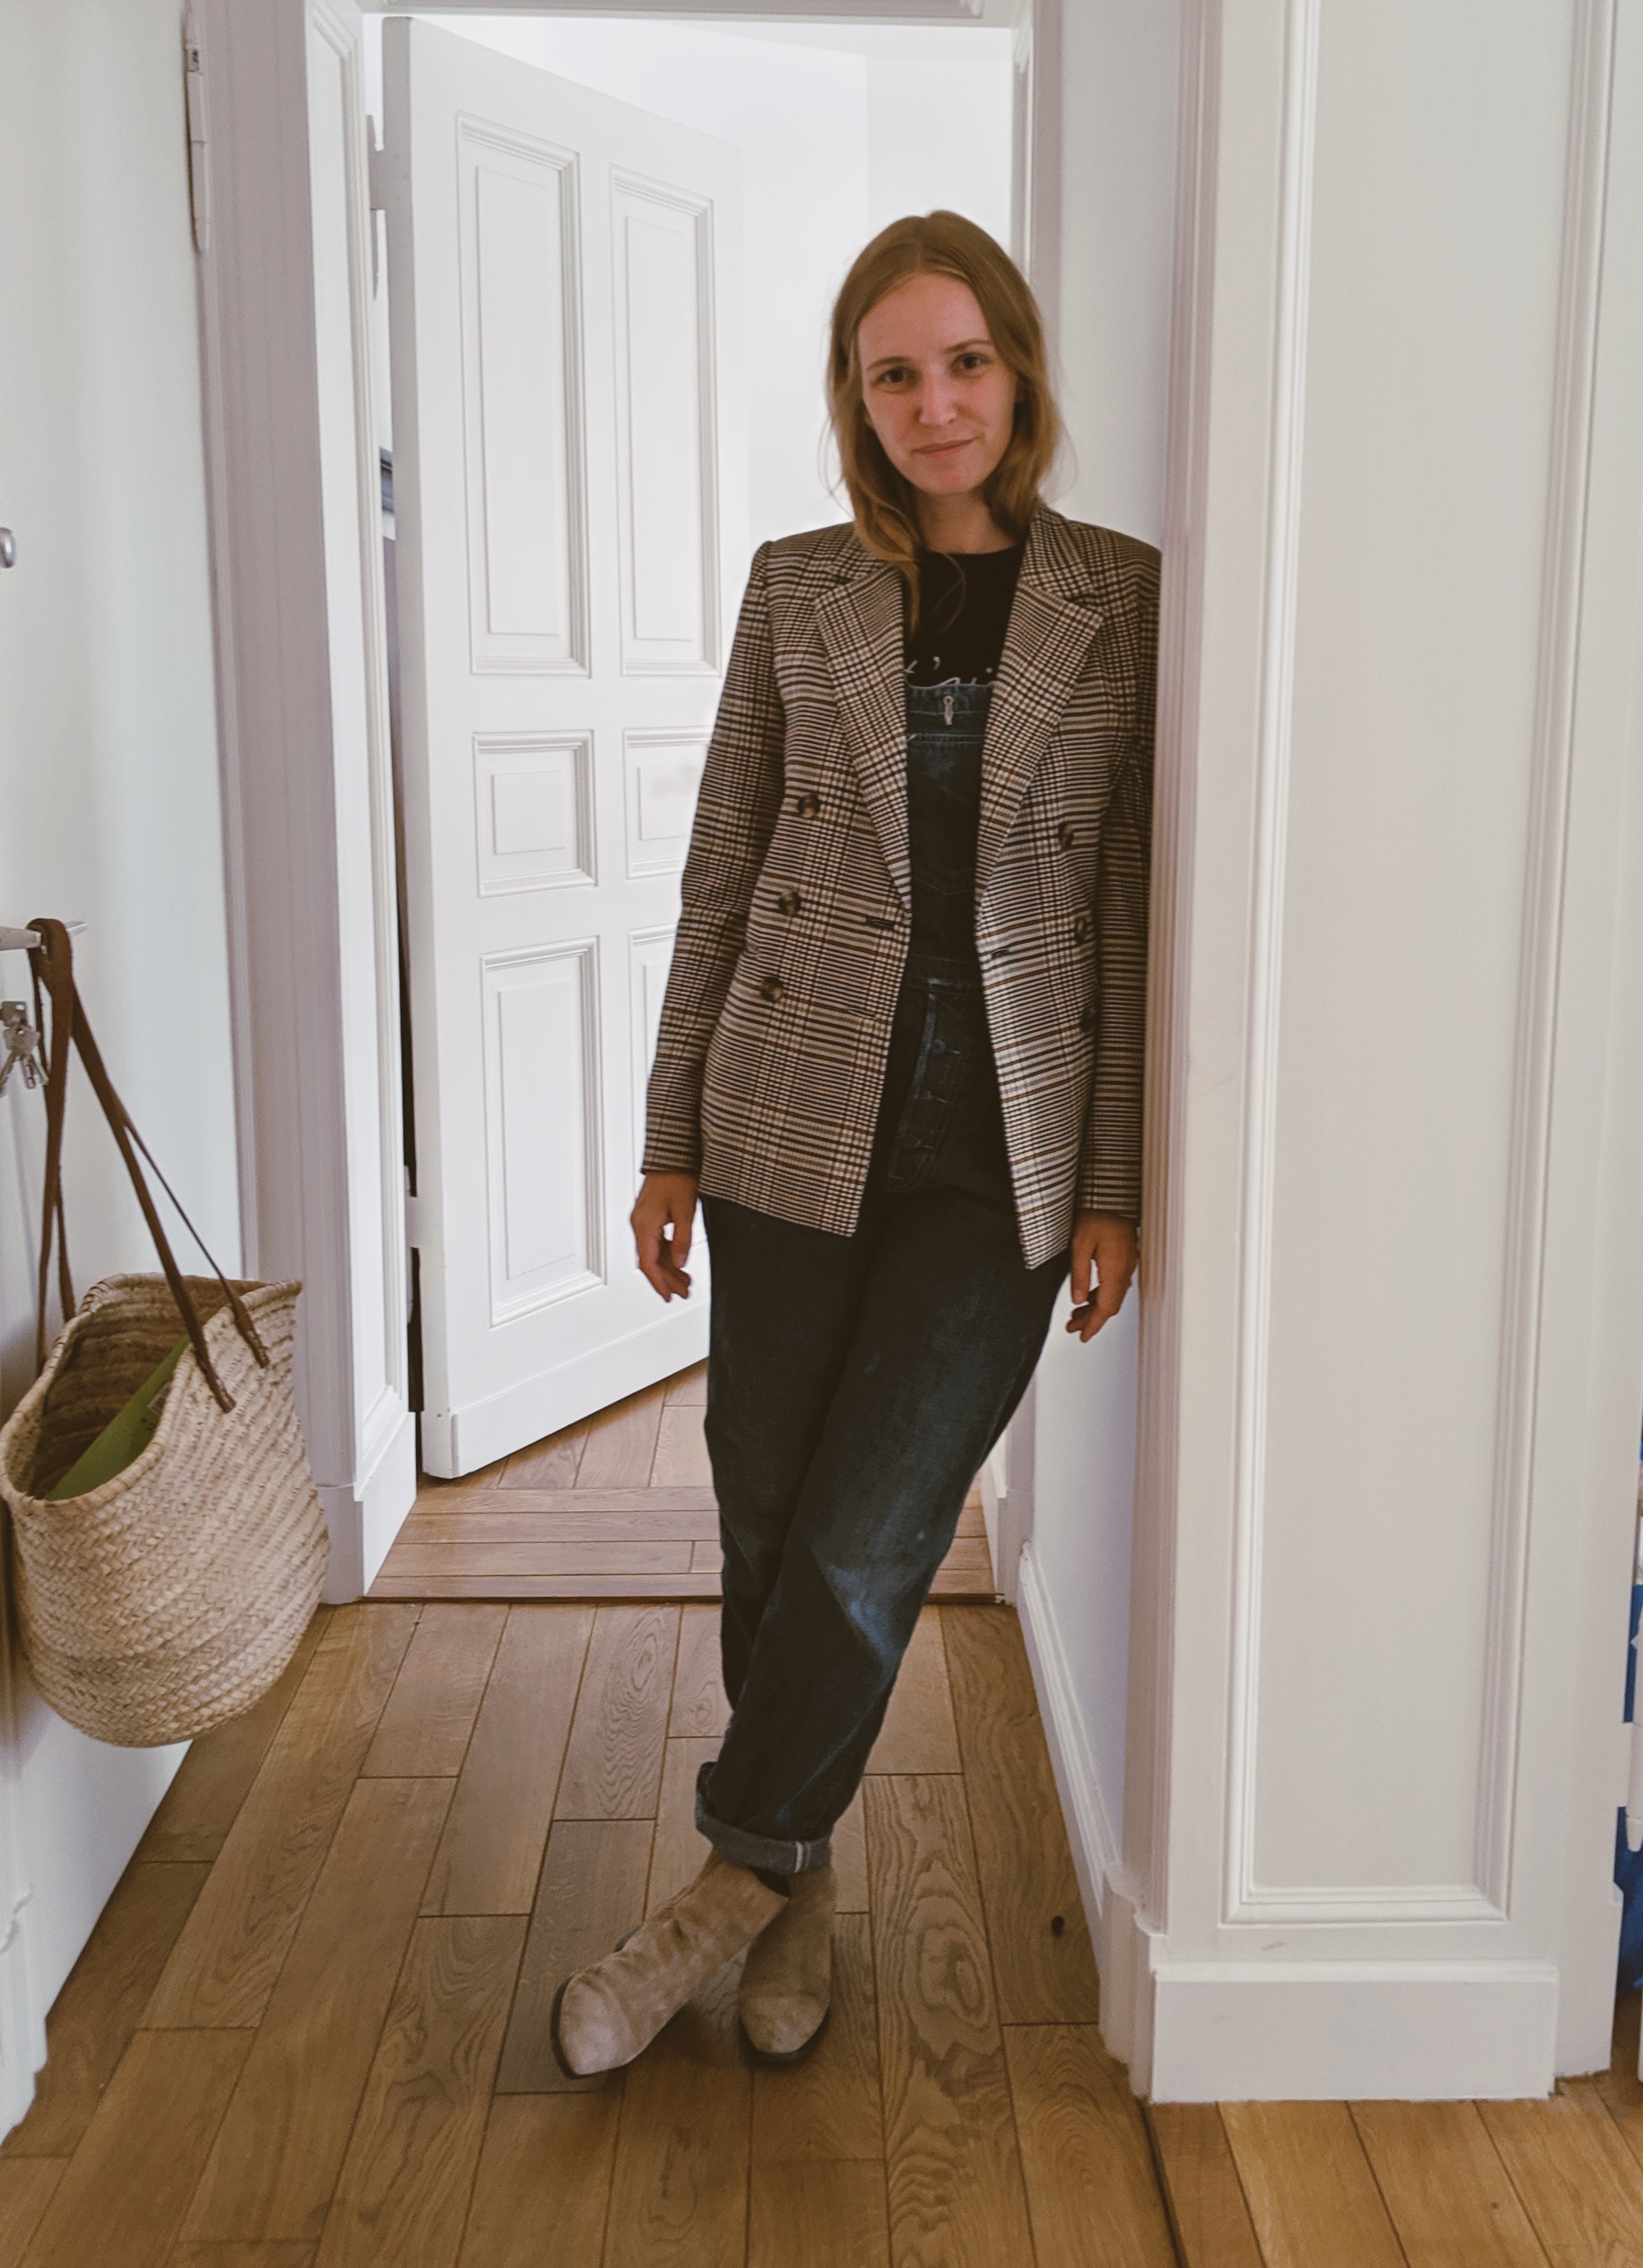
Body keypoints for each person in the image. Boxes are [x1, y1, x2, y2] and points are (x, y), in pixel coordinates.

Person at [552, 211, 1158, 2078]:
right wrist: (669, 1135)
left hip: (1004, 1154)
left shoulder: (1120, 597)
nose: (934, 403)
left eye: (965, 362)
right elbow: (721, 863)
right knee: (765, 1514)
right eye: (895, 373)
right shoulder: (796, 587)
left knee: (870, 1531)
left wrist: (1114, 1179)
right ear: (856, 398)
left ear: (1019, 371)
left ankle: (721, 1890)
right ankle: (795, 1888)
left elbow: (1127, 906)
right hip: (787, 1123)